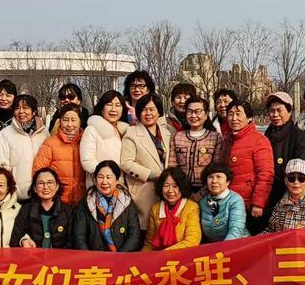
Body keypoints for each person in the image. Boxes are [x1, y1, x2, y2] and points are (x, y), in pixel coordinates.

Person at [259, 92, 305, 233]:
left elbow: (302, 167)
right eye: (271, 111)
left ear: (289, 112)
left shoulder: (298, 136)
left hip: (288, 194)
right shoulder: (266, 135)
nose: (275, 115)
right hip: (268, 195)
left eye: (279, 110)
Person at [120, 94, 173, 230]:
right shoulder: (132, 133)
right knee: (146, 230)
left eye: (152, 109)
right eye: (144, 110)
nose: (148, 113)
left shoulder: (167, 133)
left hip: (166, 190)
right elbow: (126, 163)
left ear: (159, 112)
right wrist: (151, 174)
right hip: (144, 190)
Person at [225, 100, 275, 231]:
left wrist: (258, 203)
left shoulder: (259, 140)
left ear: (248, 118)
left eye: (238, 114)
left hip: (248, 205)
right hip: (228, 203)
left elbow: (265, 174)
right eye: (230, 114)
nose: (234, 118)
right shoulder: (226, 140)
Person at [72, 160, 143, 252]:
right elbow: (79, 236)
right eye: (100, 177)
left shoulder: (126, 201)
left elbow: (134, 234)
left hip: (121, 259)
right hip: (93, 260)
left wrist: (120, 257)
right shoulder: (86, 202)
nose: (104, 181)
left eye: (108, 177)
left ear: (117, 180)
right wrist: (89, 258)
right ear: (95, 179)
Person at [0, 94, 48, 202]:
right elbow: (0, 165)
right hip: (16, 195)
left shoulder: (44, 133)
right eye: (17, 108)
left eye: (25, 108)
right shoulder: (5, 134)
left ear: (34, 111)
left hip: (42, 194)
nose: (21, 111)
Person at [32, 104, 86, 205]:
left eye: (73, 120)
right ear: (60, 121)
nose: (69, 124)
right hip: (57, 202)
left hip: (82, 201)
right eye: (65, 120)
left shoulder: (86, 141)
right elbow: (38, 172)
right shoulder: (50, 143)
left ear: (80, 121)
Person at [170, 95, 224, 195]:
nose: (193, 116)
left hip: (208, 192)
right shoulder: (177, 137)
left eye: (198, 112)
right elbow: (172, 167)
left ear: (206, 114)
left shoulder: (215, 138)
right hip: (181, 192)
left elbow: (216, 169)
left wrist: (201, 194)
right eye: (190, 112)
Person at [10, 168, 74, 249]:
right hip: (33, 259)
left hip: (60, 259)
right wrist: (23, 241)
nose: (45, 187)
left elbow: (72, 242)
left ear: (57, 186)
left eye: (50, 183)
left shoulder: (67, 211)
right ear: (34, 188)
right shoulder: (26, 210)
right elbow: (14, 240)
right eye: (41, 183)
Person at [143, 167, 201, 251]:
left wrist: (166, 253)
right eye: (166, 186)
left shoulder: (191, 207)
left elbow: (192, 241)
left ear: (182, 187)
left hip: (183, 256)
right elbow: (149, 243)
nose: (170, 190)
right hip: (159, 257)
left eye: (175, 186)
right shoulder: (156, 208)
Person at [80, 91, 129, 180]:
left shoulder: (125, 131)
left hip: (121, 185)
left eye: (118, 105)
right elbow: (87, 161)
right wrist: (109, 177)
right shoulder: (92, 130)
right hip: (101, 185)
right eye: (109, 104)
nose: (113, 109)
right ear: (102, 108)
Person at [197, 162, 248, 242]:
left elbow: (236, 231)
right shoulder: (203, 202)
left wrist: (222, 251)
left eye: (218, 177)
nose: (214, 181)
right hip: (213, 248)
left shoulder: (235, 200)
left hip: (238, 245)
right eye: (210, 177)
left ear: (228, 181)